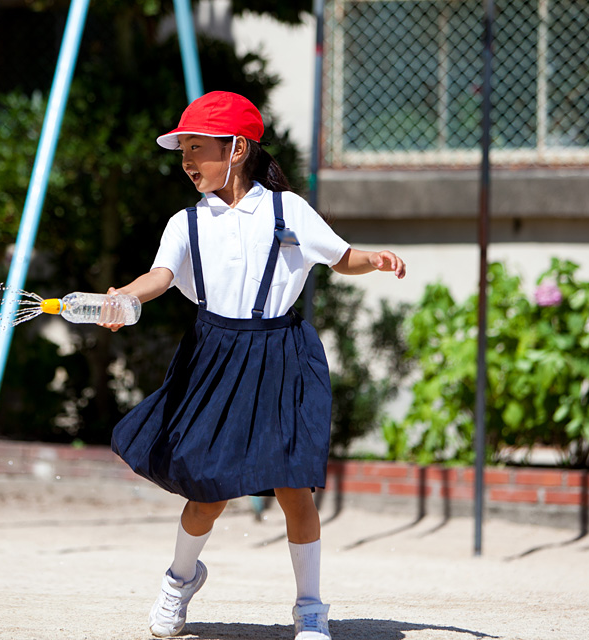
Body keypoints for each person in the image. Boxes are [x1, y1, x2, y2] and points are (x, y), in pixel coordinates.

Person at [103, 91, 406, 640]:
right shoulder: (185, 223)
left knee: (296, 489)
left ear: (237, 149)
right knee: (207, 492)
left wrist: (375, 259)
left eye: (197, 148)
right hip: (214, 356)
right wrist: (125, 295)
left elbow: (341, 257)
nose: (187, 161)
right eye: (183, 151)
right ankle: (179, 579)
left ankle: (310, 608)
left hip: (282, 353)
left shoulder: (289, 211)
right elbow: (160, 277)